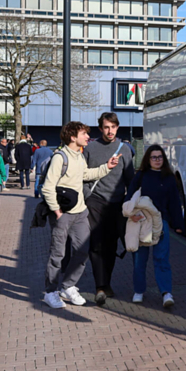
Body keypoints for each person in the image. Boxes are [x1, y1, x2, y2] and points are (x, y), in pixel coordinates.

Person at [40, 121, 119, 309]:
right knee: (57, 254)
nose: (87, 137)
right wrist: (57, 212)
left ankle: (68, 286)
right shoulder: (60, 157)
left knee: (82, 252)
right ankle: (50, 292)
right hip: (64, 214)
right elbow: (48, 187)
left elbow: (87, 174)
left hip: (80, 213)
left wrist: (106, 167)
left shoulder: (79, 156)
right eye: (84, 134)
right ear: (73, 137)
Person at [83, 112, 135, 306]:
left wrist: (130, 203)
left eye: (113, 127)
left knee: (112, 245)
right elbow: (83, 175)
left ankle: (107, 282)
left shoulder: (125, 149)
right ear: (100, 128)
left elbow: (130, 179)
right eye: (106, 127)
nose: (110, 131)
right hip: (95, 201)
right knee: (96, 244)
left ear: (117, 128)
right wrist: (88, 197)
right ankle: (100, 286)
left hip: (117, 203)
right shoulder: (90, 148)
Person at [126, 144, 184, 309]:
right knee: (139, 259)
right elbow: (130, 196)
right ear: (148, 159)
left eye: (160, 157)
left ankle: (166, 293)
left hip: (161, 222)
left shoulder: (169, 177)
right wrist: (131, 214)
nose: (157, 160)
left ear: (163, 159)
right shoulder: (141, 176)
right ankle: (139, 290)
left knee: (161, 258)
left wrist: (178, 224)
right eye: (153, 157)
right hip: (142, 222)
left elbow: (174, 202)